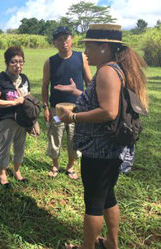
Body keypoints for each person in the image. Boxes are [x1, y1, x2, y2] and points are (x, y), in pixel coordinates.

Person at [54, 24, 148, 249]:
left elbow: (108, 111)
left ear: (104, 46)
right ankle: (111, 244)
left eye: (89, 47)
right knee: (107, 196)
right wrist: (79, 93)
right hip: (111, 148)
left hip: (100, 149)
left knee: (94, 202)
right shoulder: (115, 68)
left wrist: (73, 118)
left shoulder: (106, 71)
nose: (86, 52)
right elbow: (104, 100)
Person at [42, 26, 92, 179]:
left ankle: (70, 166)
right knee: (55, 135)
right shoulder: (50, 62)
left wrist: (90, 102)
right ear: (54, 43)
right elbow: (45, 86)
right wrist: (45, 107)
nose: (63, 42)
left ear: (72, 39)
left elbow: (89, 81)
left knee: (74, 137)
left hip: (77, 109)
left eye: (66, 38)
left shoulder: (81, 57)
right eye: (59, 39)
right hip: (57, 110)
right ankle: (55, 165)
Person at [0, 46, 30, 188]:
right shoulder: (0, 78)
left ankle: (17, 171)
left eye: (20, 61)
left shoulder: (24, 79)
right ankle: (2, 173)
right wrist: (13, 102)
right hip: (6, 119)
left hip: (22, 120)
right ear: (7, 62)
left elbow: (28, 99)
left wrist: (34, 121)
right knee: (5, 147)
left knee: (20, 146)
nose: (18, 65)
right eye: (14, 62)